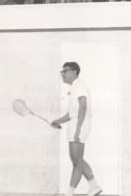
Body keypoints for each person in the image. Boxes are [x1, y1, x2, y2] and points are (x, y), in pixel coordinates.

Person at [51, 62, 103, 196]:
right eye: (62, 71)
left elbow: (83, 107)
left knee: (76, 161)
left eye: (65, 71)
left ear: (74, 72)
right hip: (76, 122)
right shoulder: (75, 87)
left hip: (79, 124)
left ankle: (69, 193)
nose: (63, 74)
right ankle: (94, 186)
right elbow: (72, 112)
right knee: (77, 159)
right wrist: (58, 121)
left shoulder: (79, 86)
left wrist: (78, 129)